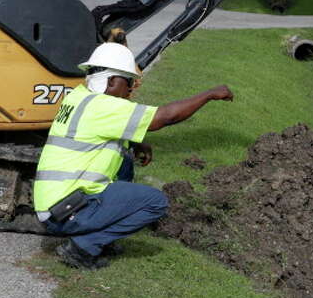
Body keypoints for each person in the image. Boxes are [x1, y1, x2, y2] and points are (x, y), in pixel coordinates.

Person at [34, 41, 234, 269]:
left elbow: (98, 131)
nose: (130, 90)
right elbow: (166, 117)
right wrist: (209, 94)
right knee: (155, 202)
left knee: (125, 163)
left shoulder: (79, 97)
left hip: (57, 203)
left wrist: (136, 141)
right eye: (128, 83)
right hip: (66, 211)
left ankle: (100, 232)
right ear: (111, 82)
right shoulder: (104, 107)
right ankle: (84, 246)